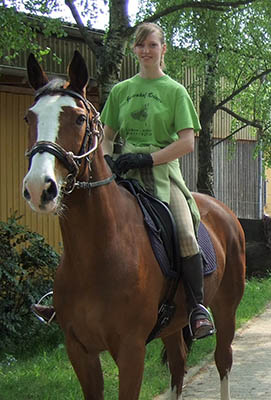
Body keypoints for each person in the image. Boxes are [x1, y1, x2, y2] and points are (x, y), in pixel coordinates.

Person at [31, 22, 214, 340]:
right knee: (88, 226)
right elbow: (106, 136)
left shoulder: (175, 91)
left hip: (162, 175)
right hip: (122, 174)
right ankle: (66, 301)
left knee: (185, 231)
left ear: (162, 50)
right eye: (140, 46)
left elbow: (186, 143)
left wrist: (148, 158)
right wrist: (109, 159)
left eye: (152, 45)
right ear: (134, 50)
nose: (146, 51)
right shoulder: (121, 91)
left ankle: (197, 308)